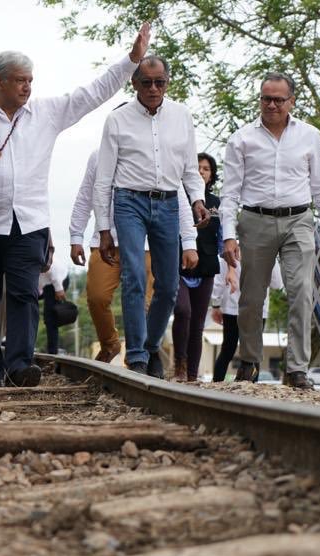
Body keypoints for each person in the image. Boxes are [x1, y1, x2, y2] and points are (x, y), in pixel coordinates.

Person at [0, 22, 153, 388]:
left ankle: (20, 366)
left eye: (31, 80)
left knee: (24, 294)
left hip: (29, 223)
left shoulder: (46, 113)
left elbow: (92, 93)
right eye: (20, 80)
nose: (28, 87)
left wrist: (131, 60)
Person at [220, 72, 320, 388]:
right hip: (254, 220)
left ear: (291, 101)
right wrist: (228, 235)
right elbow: (230, 192)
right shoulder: (242, 138)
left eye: (278, 99)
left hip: (299, 220)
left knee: (301, 290)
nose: (271, 105)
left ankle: (297, 368)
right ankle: (249, 363)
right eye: (265, 98)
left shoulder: (309, 136)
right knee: (251, 296)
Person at [94, 55, 207, 378]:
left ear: (168, 83)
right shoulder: (117, 120)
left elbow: (189, 169)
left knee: (169, 285)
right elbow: (104, 178)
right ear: (135, 84)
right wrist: (104, 229)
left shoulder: (182, 116)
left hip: (169, 202)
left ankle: (151, 343)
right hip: (129, 201)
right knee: (134, 276)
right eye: (147, 83)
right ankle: (138, 355)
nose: (154, 88)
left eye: (160, 82)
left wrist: (197, 199)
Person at [69, 149, 155, 364]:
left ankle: (138, 357)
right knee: (97, 297)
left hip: (144, 243)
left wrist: (186, 241)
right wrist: (76, 235)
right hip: (105, 241)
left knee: (144, 303)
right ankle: (110, 344)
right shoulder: (98, 155)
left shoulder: (153, 149)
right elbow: (85, 196)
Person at [171, 152, 222, 381]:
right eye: (198, 168)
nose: (201, 172)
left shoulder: (215, 203)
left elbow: (220, 236)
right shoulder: (177, 197)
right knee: (183, 311)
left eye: (206, 169)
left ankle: (191, 375)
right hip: (179, 265)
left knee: (198, 324)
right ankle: (179, 363)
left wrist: (230, 265)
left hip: (207, 266)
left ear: (211, 176)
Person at [211, 256, 283, 382]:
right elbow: (277, 284)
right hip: (258, 308)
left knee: (227, 350)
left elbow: (219, 280)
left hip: (233, 307)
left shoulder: (231, 248)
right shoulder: (269, 251)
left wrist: (216, 304)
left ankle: (216, 383)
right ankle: (251, 387)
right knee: (253, 352)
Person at [39, 253, 69, 355]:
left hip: (57, 280)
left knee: (50, 318)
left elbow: (53, 268)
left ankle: (53, 352)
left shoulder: (40, 253)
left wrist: (59, 288)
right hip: (44, 284)